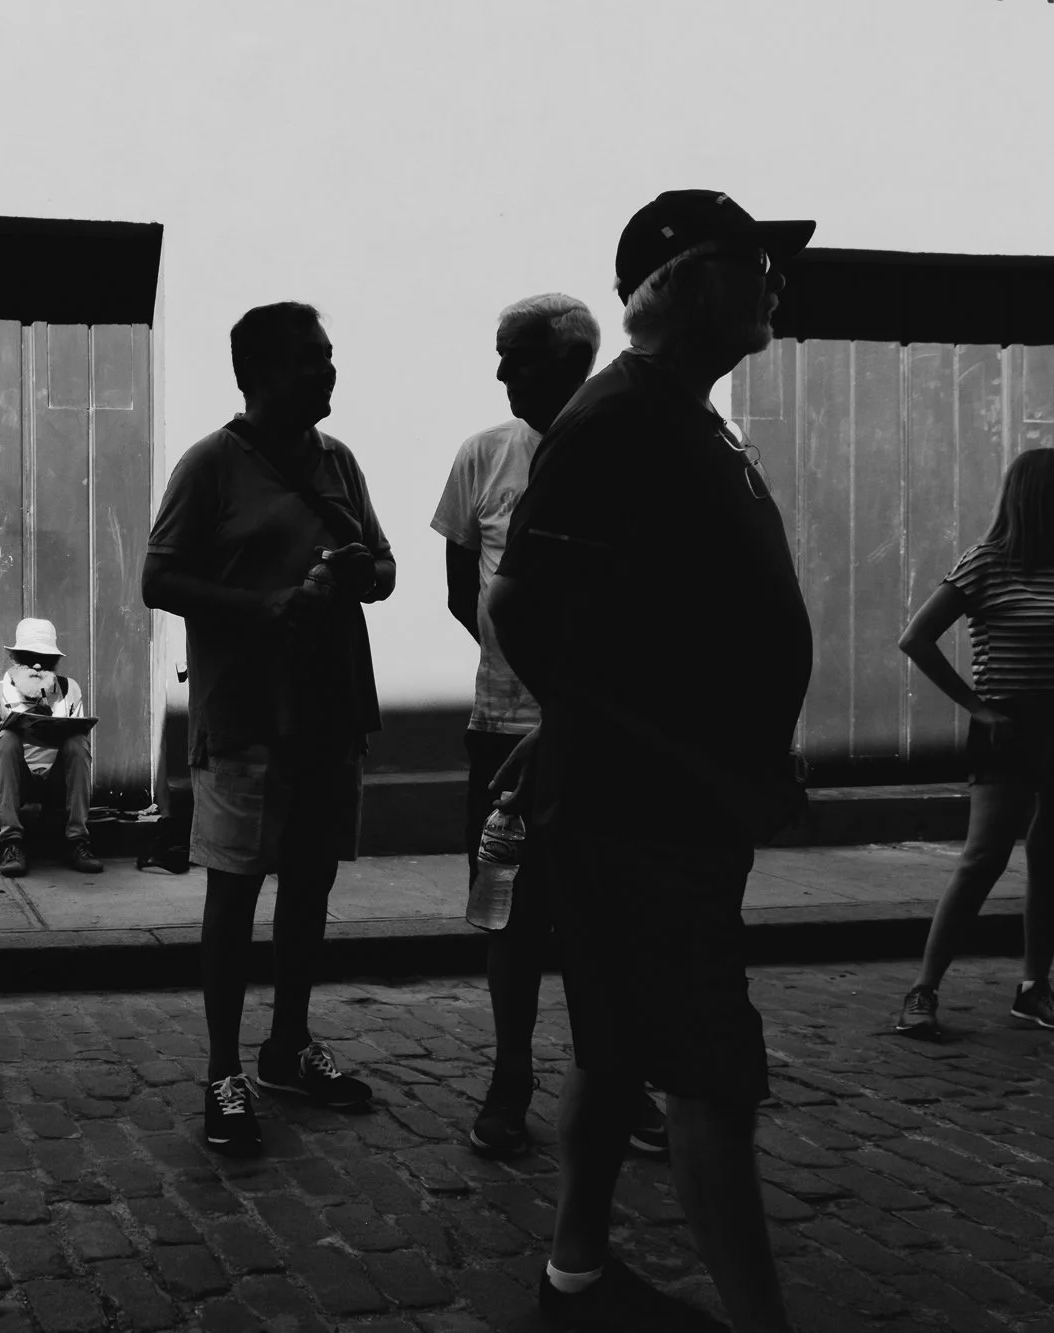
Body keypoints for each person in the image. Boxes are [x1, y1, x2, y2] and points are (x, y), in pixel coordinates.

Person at [488, 190, 815, 1332]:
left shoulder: (683, 414)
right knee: (710, 1076)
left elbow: (625, 619)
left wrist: (576, 721)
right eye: (754, 259)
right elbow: (521, 605)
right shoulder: (617, 415)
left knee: (616, 1047)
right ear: (674, 282)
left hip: (670, 797)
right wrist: (603, 729)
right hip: (649, 813)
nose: (777, 278)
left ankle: (574, 1274)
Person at [143, 301, 396, 1158]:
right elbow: (159, 578)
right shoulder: (211, 465)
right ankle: (222, 1069)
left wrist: (367, 571)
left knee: (311, 884)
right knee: (234, 893)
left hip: (331, 711)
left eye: (329, 358)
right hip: (247, 714)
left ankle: (288, 1044)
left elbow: (388, 568)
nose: (328, 374)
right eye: (310, 362)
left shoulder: (341, 461)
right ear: (257, 374)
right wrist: (263, 607)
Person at [431, 294, 670, 1162]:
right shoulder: (483, 457)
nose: (501, 375)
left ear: (573, 361)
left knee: (607, 917)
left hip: (603, 734)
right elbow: (466, 589)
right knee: (511, 917)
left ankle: (619, 1078)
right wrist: (524, 670)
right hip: (503, 727)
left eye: (518, 359)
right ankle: (510, 1077)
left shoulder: (628, 449)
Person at [895, 448, 1054, 1038]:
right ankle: (923, 990)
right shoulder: (987, 563)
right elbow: (916, 638)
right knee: (982, 858)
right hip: (1007, 726)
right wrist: (977, 708)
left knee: (1050, 861)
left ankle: (1035, 988)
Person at [0, 617, 103, 877]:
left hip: (56, 783)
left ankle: (78, 841)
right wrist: (7, 725)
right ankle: (12, 843)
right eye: (29, 657)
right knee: (6, 739)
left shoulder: (68, 689)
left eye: (46, 659)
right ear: (15, 660)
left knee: (77, 741)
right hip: (18, 784)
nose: (38, 665)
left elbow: (77, 745)